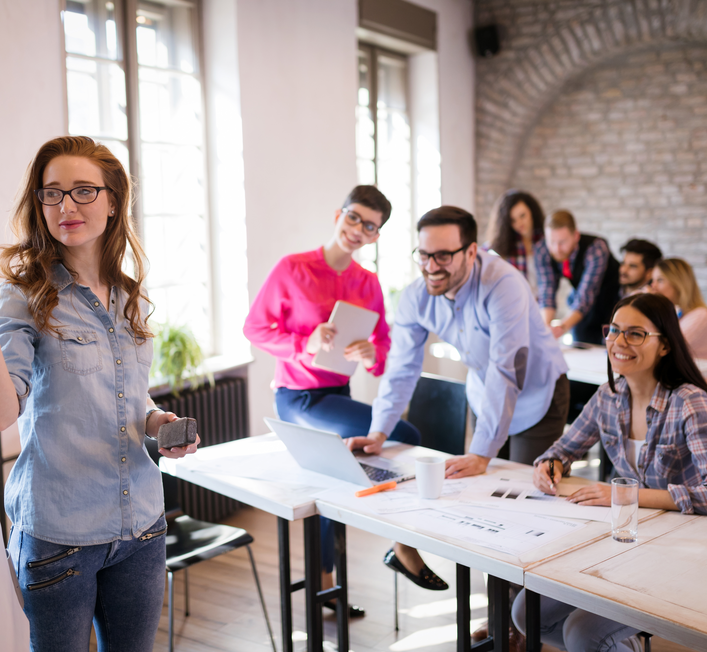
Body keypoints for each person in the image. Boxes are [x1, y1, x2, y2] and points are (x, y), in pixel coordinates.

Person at [0, 136, 199, 651]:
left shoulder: (128, 293)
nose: (65, 206)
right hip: (61, 536)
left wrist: (157, 421)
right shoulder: (24, 293)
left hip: (141, 525)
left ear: (114, 200)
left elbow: (129, 399)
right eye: (51, 193)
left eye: (82, 191)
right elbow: (0, 410)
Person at [346, 206, 569, 599]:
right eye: (424, 255)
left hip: (538, 395)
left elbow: (507, 370)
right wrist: (378, 430)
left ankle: (522, 622)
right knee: (486, 502)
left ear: (471, 252)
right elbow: (400, 368)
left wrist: (482, 452)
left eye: (443, 256)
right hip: (486, 395)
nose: (431, 267)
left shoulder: (504, 284)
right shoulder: (418, 295)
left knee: (526, 507)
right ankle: (500, 617)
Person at [511, 292, 707, 652]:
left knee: (582, 634)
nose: (619, 342)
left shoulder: (690, 402)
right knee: (527, 613)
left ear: (665, 346)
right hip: (625, 541)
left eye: (635, 333)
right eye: (614, 331)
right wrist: (548, 466)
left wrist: (625, 495)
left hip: (681, 549)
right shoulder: (608, 396)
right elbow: (561, 451)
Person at [243, 185, 420, 617]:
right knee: (407, 434)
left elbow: (382, 351)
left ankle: (327, 590)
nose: (358, 229)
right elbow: (255, 329)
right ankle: (403, 543)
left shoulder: (369, 283)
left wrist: (371, 354)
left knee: (335, 484)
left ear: (377, 236)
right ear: (338, 214)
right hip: (298, 399)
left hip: (338, 396)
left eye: (370, 226)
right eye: (354, 217)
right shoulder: (292, 268)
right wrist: (305, 342)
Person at [536, 210, 620, 344]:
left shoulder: (596, 248)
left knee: (610, 346)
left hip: (612, 302)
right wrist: (546, 329)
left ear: (575, 235)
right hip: (583, 308)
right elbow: (547, 291)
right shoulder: (542, 250)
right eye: (551, 242)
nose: (557, 248)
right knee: (581, 342)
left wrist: (562, 327)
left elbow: (586, 294)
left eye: (562, 242)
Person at [649, 258, 707, 401]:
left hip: (699, 398)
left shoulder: (702, 316)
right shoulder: (677, 314)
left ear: (678, 284)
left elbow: (663, 349)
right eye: (653, 280)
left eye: (660, 280)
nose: (653, 286)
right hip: (677, 389)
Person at [486, 190, 546, 296]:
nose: (519, 223)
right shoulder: (506, 245)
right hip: (517, 305)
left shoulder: (545, 242)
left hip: (543, 306)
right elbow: (485, 252)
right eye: (513, 220)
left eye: (522, 216)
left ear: (532, 212)